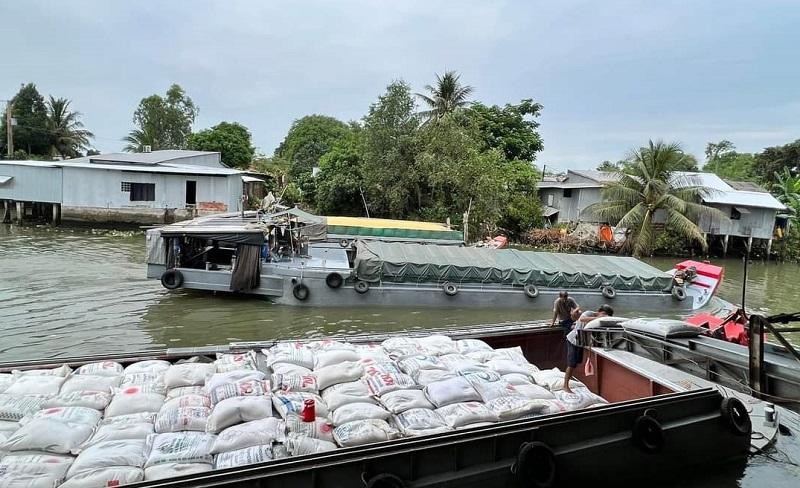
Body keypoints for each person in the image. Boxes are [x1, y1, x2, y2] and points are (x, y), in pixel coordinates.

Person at [562, 304, 614, 393]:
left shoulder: (597, 321)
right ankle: (565, 386)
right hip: (573, 340)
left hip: (581, 342)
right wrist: (598, 318)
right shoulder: (589, 313)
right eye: (605, 315)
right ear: (602, 312)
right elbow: (582, 319)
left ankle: (569, 379)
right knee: (571, 364)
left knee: (577, 362)